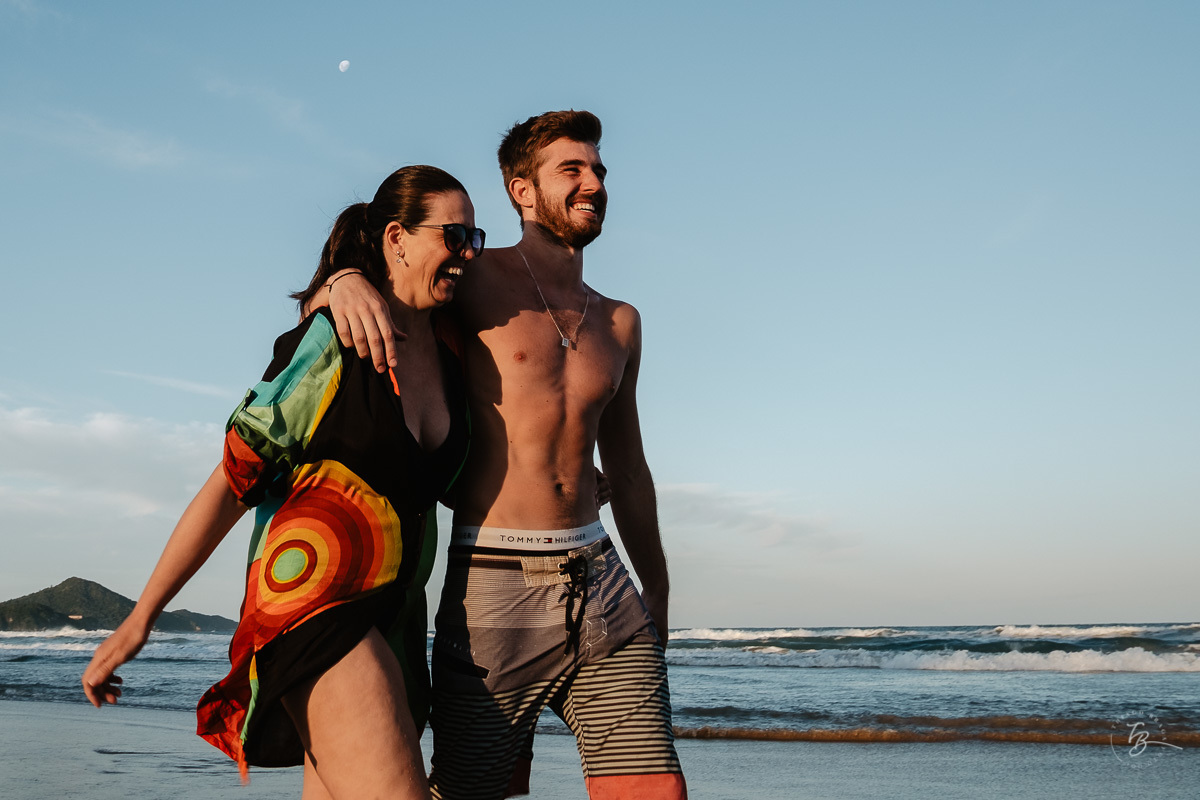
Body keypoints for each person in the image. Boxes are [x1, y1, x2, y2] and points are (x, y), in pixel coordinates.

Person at [314, 111, 687, 800]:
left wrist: (657, 588)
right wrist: (341, 281)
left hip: (603, 583)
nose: (593, 183)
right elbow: (392, 278)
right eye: (571, 170)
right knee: (470, 793)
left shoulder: (620, 321)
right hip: (493, 582)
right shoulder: (475, 277)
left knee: (654, 790)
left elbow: (630, 472)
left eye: (598, 169)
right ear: (522, 191)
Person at [81, 165, 482, 800]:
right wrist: (142, 618)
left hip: (397, 624)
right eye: (454, 236)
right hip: (317, 610)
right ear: (397, 238)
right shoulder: (334, 341)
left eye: (475, 238)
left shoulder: (456, 354)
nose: (469, 254)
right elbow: (231, 481)